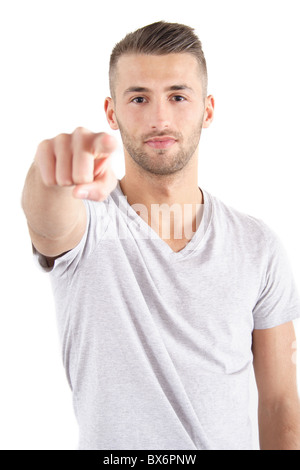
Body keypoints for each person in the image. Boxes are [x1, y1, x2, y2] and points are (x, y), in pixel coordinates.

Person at [22, 21, 300, 451]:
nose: (159, 118)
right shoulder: (90, 226)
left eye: (177, 96)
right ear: (111, 112)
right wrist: (51, 172)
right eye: (138, 98)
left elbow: (280, 403)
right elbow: (46, 218)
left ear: (207, 110)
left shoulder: (258, 246)